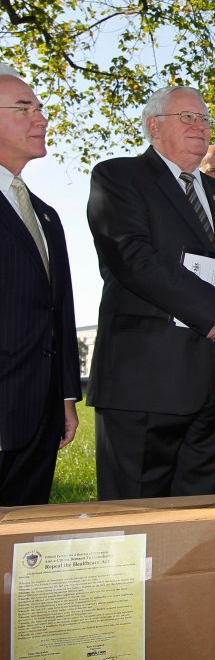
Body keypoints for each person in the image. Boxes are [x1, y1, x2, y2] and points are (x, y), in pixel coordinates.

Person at [87, 85, 215, 499]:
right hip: (146, 381)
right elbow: (134, 259)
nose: (199, 126)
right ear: (154, 126)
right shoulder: (118, 176)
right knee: (136, 522)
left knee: (200, 518)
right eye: (187, 117)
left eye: (204, 119)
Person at [0, 70, 80, 505]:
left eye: (40, 108)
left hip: (39, 416)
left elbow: (60, 312)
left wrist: (65, 395)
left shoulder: (46, 215)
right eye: (24, 108)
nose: (41, 118)